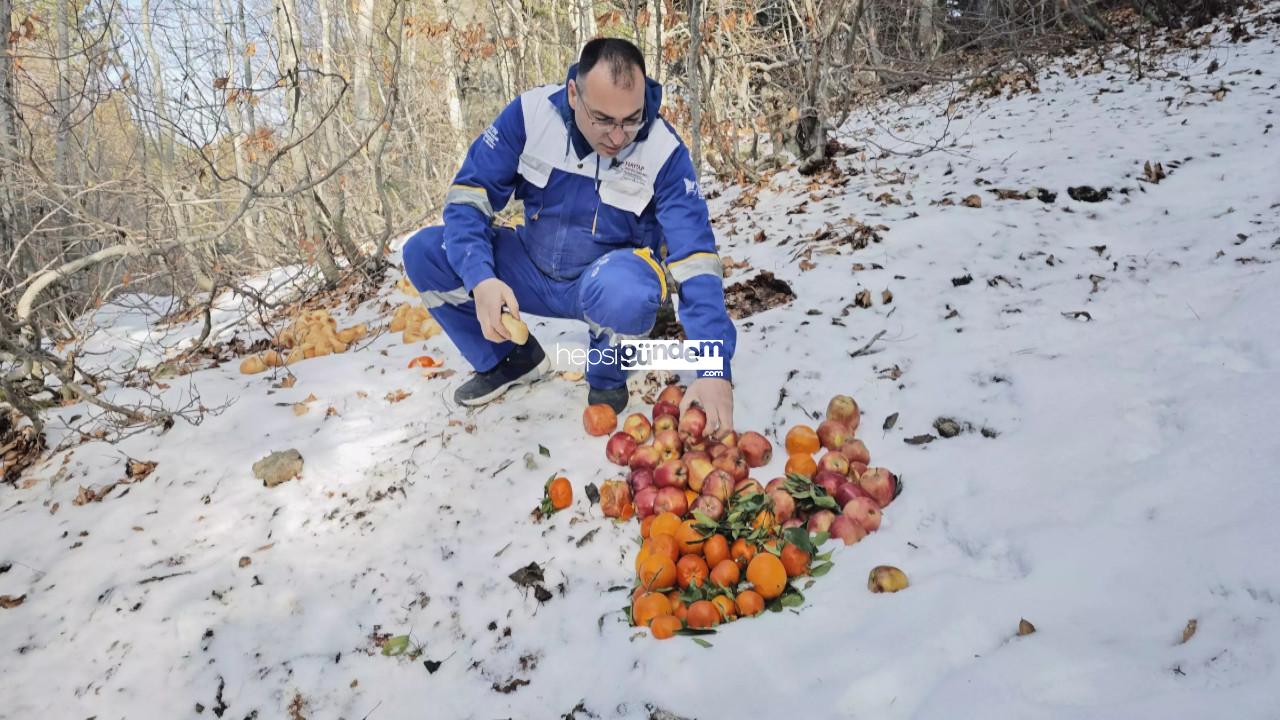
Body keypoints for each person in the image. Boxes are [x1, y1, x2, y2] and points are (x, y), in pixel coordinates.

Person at [401, 37, 737, 436]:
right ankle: (510, 359)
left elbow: (696, 257)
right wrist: (481, 279)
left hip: (607, 282)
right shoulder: (529, 115)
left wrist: (715, 367)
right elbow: (467, 199)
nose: (617, 137)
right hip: (530, 268)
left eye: (631, 120)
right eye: (603, 119)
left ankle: (608, 374)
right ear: (574, 94)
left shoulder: (664, 150)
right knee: (425, 252)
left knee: (627, 289)